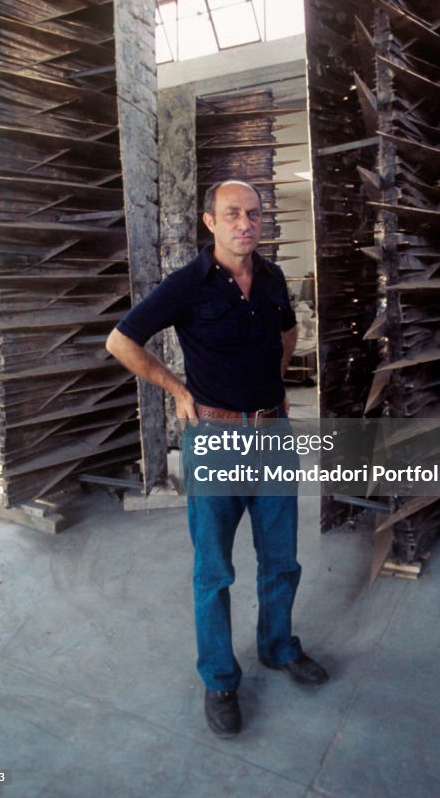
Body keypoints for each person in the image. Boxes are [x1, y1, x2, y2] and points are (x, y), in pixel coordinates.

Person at [106, 179, 328, 737]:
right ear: (210, 222)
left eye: (253, 214)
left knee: (282, 559)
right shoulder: (188, 285)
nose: (245, 223)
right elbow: (121, 341)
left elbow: (289, 330)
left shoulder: (273, 276)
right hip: (216, 440)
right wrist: (179, 392)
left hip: (274, 434)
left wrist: (272, 380)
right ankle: (221, 678)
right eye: (232, 214)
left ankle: (278, 647)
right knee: (214, 571)